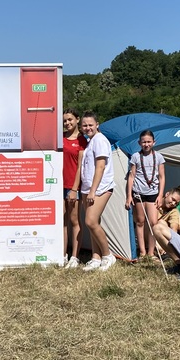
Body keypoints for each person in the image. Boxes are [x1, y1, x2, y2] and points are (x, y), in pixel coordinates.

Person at [79, 111, 116, 271]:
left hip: (100, 188)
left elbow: (100, 167)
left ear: (97, 125)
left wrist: (93, 191)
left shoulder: (100, 140)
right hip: (87, 188)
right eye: (84, 125)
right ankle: (96, 257)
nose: (88, 128)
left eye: (90, 125)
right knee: (93, 224)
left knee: (91, 221)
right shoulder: (90, 141)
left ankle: (108, 255)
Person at [125, 129, 166, 258]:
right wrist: (129, 195)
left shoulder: (159, 157)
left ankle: (151, 252)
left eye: (149, 142)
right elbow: (131, 176)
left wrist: (160, 195)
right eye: (144, 142)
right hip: (139, 193)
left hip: (153, 193)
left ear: (154, 142)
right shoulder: (136, 157)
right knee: (140, 221)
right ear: (139, 143)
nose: (146, 144)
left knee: (153, 223)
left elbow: (162, 177)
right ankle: (142, 252)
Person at [62, 108, 87, 269]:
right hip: (58, 185)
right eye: (65, 120)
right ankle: (63, 254)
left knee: (74, 221)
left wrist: (74, 189)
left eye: (70, 119)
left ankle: (75, 256)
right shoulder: (60, 138)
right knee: (63, 222)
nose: (67, 123)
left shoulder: (82, 141)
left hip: (73, 186)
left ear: (77, 120)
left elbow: (80, 167)